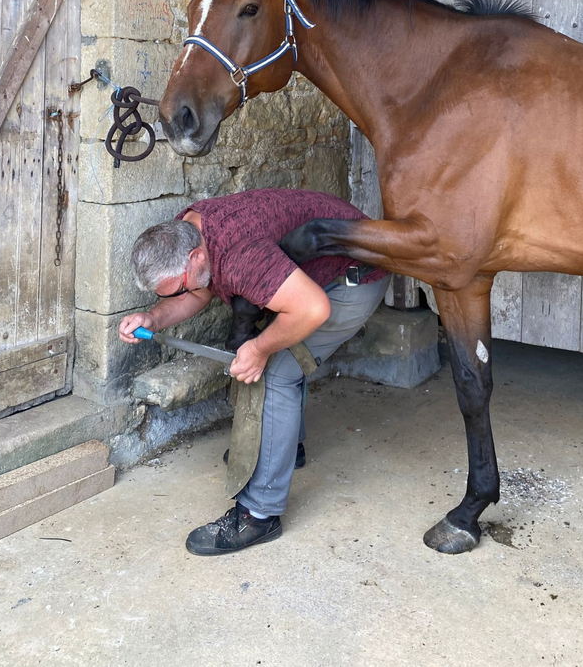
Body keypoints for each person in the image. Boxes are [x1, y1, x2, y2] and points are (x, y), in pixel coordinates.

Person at [119, 189, 389, 555]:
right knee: (275, 352)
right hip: (320, 265)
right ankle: (285, 450)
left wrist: (260, 350)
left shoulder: (238, 257)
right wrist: (153, 317)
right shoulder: (190, 227)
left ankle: (260, 515)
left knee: (276, 372)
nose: (177, 295)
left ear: (196, 256)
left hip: (356, 278)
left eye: (176, 288)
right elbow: (197, 291)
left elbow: (312, 310)